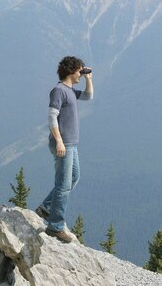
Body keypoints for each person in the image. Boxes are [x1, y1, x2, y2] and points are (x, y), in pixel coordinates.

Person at [36, 56, 93, 243]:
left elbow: (88, 96)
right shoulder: (59, 91)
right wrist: (59, 141)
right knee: (63, 184)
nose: (80, 74)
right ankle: (55, 226)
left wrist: (89, 79)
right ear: (70, 71)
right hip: (63, 144)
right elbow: (52, 117)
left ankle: (46, 208)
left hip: (71, 143)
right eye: (79, 71)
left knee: (73, 177)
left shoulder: (70, 91)